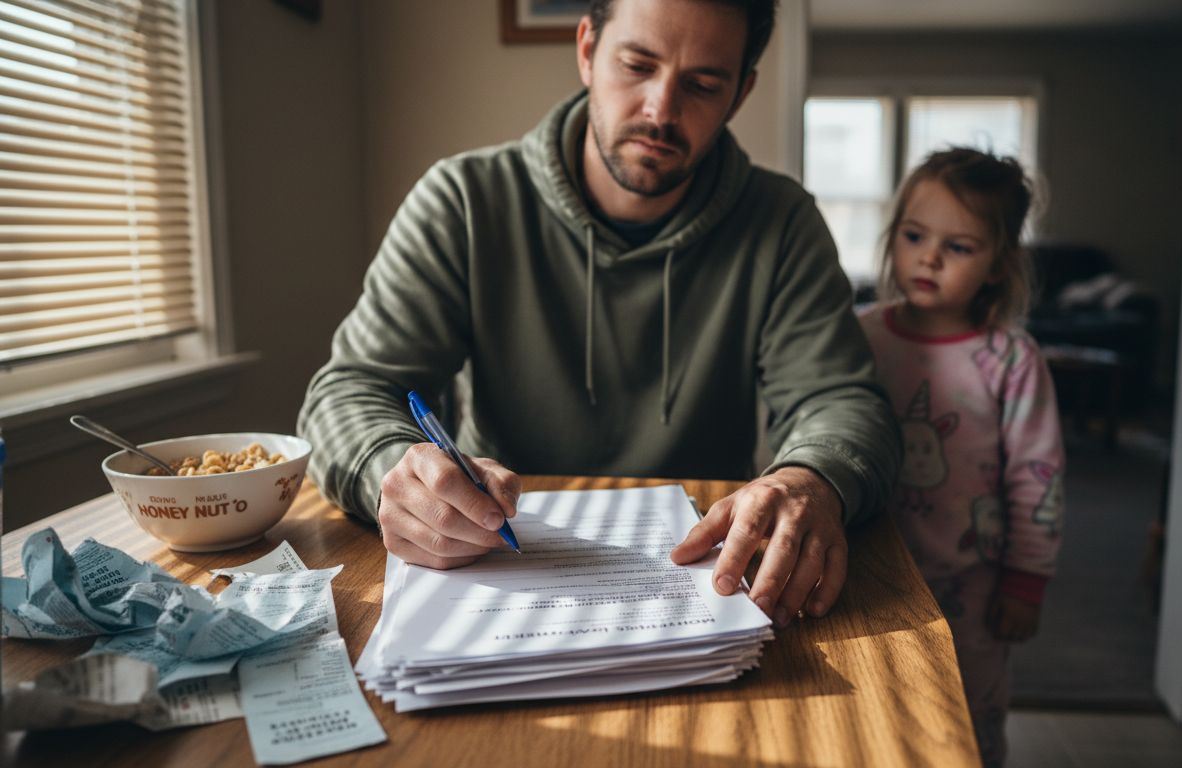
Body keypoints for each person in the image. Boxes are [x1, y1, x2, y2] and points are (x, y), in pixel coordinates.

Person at [298, 0, 901, 629]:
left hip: (706, 585)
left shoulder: (782, 223)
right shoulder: (463, 203)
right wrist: (388, 466)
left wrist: (812, 478)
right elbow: (348, 392)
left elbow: (844, 403)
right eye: (637, 64)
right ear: (587, 49)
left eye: (701, 84)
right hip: (500, 576)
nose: (660, 110)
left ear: (741, 93)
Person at [857, 148, 1065, 766]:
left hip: (973, 583)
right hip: (875, 574)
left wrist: (1026, 582)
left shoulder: (1010, 360)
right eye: (914, 236)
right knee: (881, 706)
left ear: (999, 266)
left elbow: (1037, 479)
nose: (929, 258)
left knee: (968, 718)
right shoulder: (860, 338)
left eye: (959, 247)